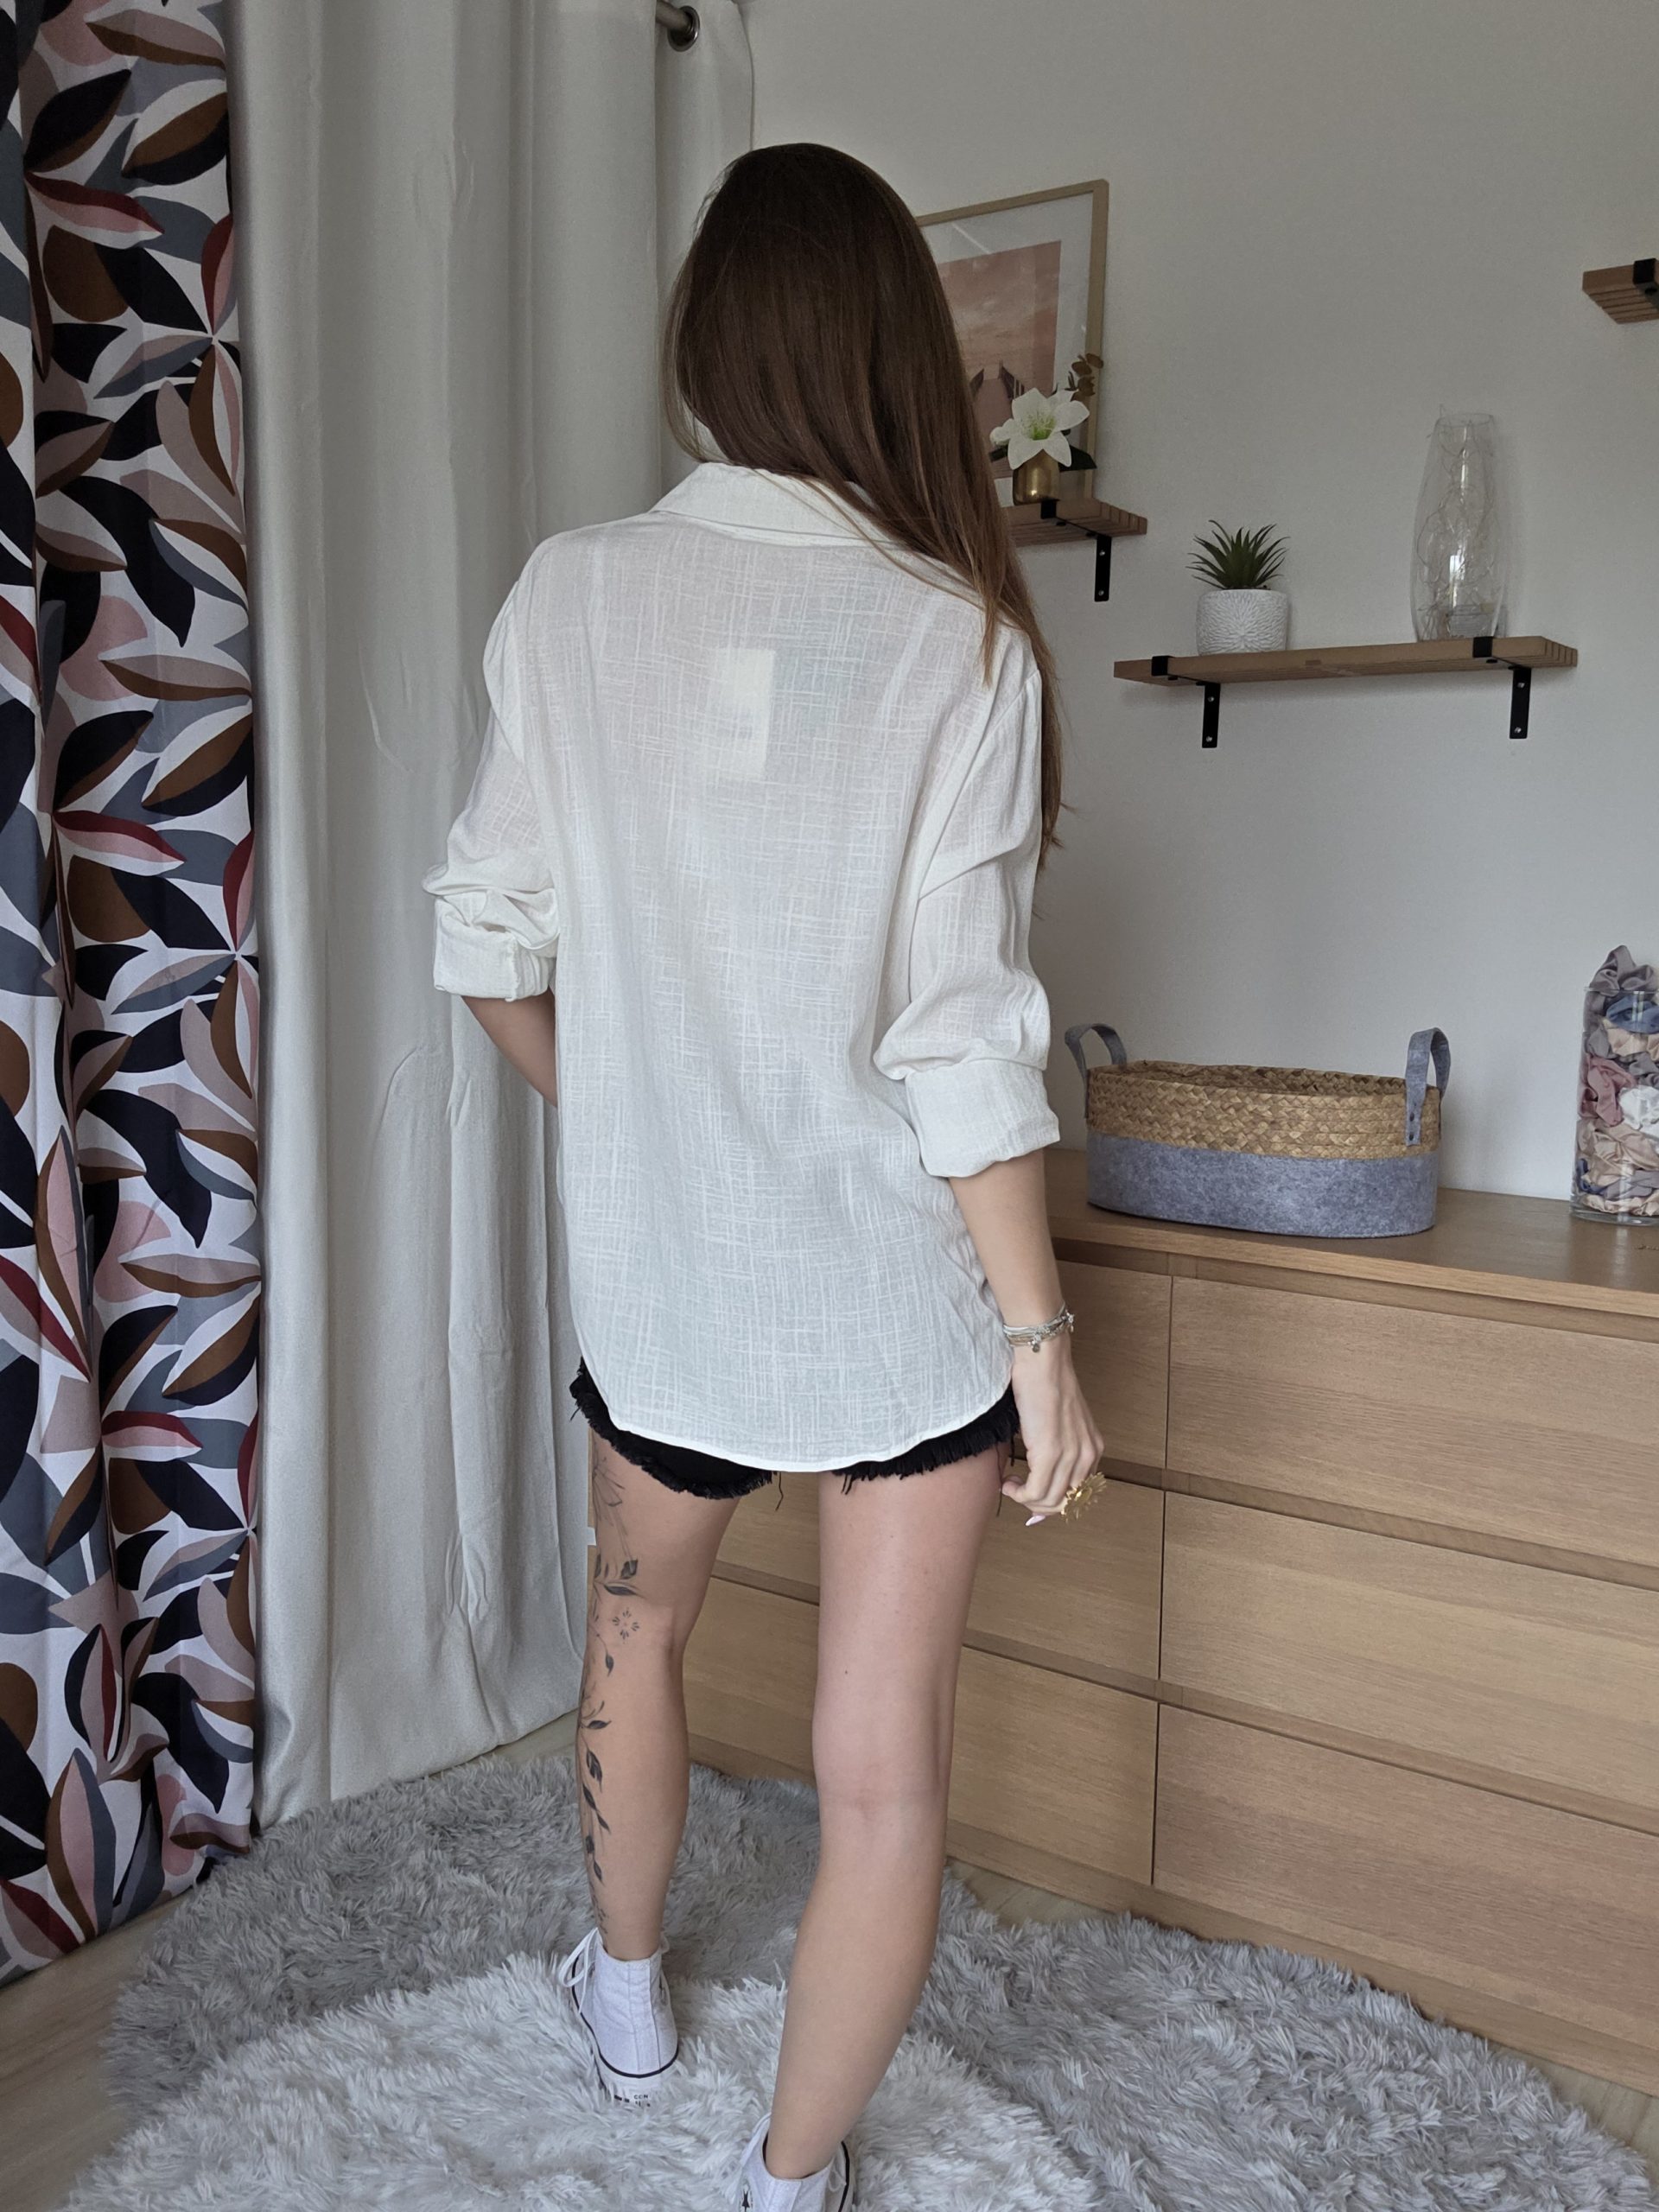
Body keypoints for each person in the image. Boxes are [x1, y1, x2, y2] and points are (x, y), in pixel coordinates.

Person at [423, 140, 1104, 2212]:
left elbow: (486, 944)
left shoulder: (572, 594)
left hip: (669, 1295)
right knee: (881, 1767)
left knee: (636, 1633)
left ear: (707, 345)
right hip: (897, 1306)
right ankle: (791, 2175)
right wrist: (1042, 1338)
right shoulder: (959, 640)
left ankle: (627, 2008)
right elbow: (961, 1043)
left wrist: (636, 1116)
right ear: (891, 349)